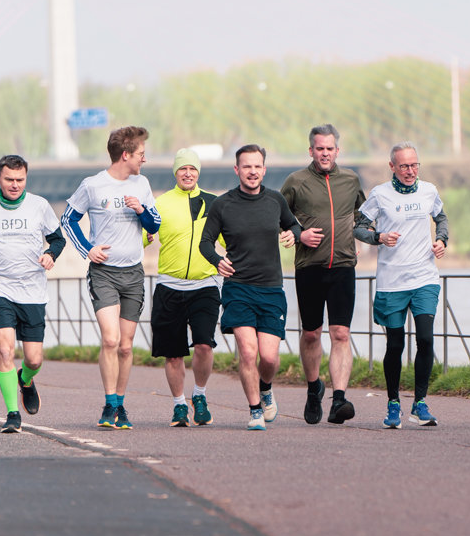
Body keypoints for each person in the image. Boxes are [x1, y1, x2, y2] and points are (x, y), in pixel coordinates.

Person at [61, 126, 161, 429]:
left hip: (133, 274)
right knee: (110, 339)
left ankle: (121, 404)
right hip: (103, 273)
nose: (144, 159)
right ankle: (108, 404)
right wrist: (88, 249)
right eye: (141, 153)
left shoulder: (141, 183)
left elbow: (155, 224)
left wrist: (141, 209)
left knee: (127, 346)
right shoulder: (93, 185)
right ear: (125, 154)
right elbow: (68, 219)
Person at [198, 144, 302, 430]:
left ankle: (266, 388)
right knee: (247, 351)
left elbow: (294, 226)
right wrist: (217, 260)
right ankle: (255, 410)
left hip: (270, 289)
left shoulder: (275, 200)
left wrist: (293, 235)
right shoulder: (223, 204)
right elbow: (205, 242)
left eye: (257, 166)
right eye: (247, 166)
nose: (252, 171)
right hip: (238, 288)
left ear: (264, 169)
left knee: (269, 358)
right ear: (237, 170)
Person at [0, 154, 66, 433]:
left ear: (26, 179)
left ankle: (26, 380)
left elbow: (58, 238)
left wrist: (50, 253)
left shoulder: (39, 206)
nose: (15, 185)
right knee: (5, 349)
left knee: (33, 359)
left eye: (20, 180)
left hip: (32, 290)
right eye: (9, 179)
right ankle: (12, 414)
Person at [355, 143, 449, 428]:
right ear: (392, 166)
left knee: (426, 339)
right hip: (392, 281)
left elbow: (441, 218)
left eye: (414, 165)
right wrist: (379, 237)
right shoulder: (379, 194)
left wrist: (442, 239)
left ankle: (420, 403)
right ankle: (393, 403)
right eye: (405, 166)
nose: (410, 171)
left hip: (424, 278)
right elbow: (359, 226)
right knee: (395, 344)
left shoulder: (429, 191)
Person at [280, 124, 367, 424]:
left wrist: (366, 238)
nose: (325, 153)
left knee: (340, 333)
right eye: (320, 148)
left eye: (330, 148)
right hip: (309, 268)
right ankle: (313, 387)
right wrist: (299, 235)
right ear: (311, 151)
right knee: (311, 333)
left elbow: (362, 217)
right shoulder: (296, 181)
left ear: (337, 150)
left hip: (343, 266)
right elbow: (280, 217)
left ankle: (339, 399)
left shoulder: (351, 180)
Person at [145, 149, 222, 427]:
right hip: (169, 286)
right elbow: (142, 236)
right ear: (175, 173)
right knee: (173, 353)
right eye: (182, 169)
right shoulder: (160, 204)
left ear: (198, 172)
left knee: (203, 344)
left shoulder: (213, 203)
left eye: (192, 169)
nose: (187, 173)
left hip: (205, 285)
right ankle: (179, 405)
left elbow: (231, 240)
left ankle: (199, 396)